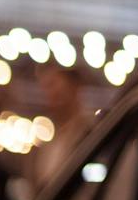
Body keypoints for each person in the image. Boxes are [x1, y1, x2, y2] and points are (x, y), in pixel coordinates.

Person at [26, 64, 94, 192]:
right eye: (46, 87)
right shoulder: (46, 134)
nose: (49, 93)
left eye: (53, 84)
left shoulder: (91, 130)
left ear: (75, 87)